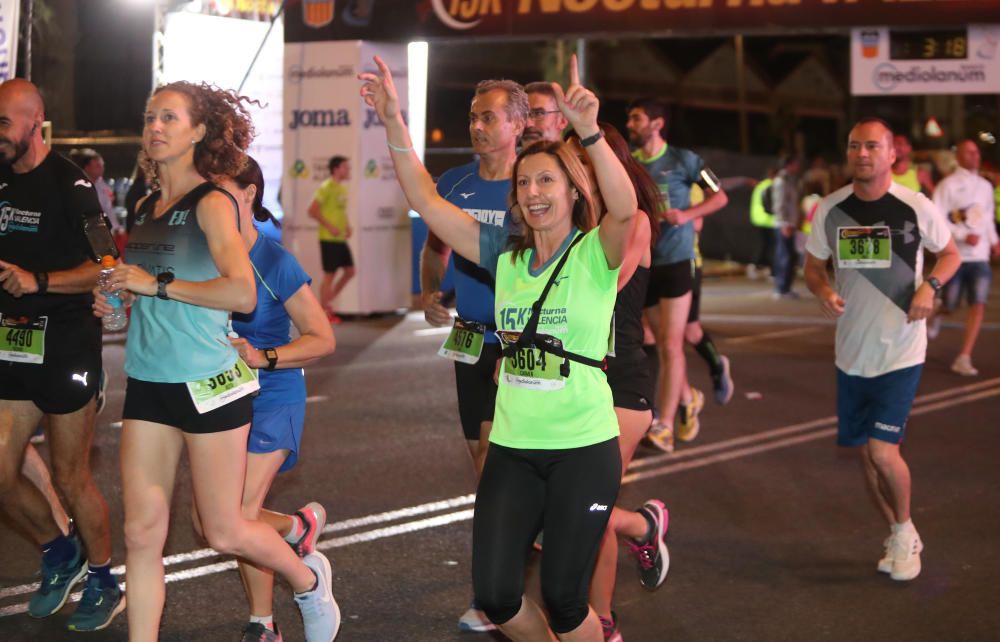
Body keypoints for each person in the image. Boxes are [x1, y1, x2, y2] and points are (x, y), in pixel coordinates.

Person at [362, 52, 633, 641]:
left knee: (564, 600)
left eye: (547, 180)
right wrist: (392, 121)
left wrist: (588, 132)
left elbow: (627, 207)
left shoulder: (594, 254)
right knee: (496, 595)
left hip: (583, 448)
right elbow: (428, 202)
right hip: (512, 447)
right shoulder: (502, 255)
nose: (533, 192)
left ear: (571, 188)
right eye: (524, 182)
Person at [94, 81, 340, 642]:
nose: (155, 127)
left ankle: (306, 580)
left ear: (199, 131)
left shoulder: (213, 202)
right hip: (150, 381)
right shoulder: (144, 203)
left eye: (169, 118)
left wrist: (153, 284)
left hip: (209, 384)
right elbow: (155, 290)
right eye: (150, 116)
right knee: (140, 534)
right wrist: (118, 298)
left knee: (224, 530)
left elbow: (241, 294)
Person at [804, 117, 959, 582]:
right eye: (855, 146)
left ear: (893, 154)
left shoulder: (914, 206)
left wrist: (930, 287)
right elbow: (813, 266)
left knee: (882, 450)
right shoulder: (830, 210)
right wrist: (824, 291)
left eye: (873, 146)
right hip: (852, 352)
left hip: (901, 350)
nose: (862, 154)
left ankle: (905, 530)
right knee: (867, 457)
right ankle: (897, 531)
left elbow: (950, 254)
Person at [196, 157, 337, 642]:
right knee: (208, 519)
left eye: (220, 191)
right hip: (220, 397)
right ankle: (297, 528)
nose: (208, 203)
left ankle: (264, 624)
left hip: (274, 394)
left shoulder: (275, 262)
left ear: (249, 194)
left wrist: (265, 356)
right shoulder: (202, 256)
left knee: (238, 514)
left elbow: (322, 338)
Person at [0, 78, 123, 632]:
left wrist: (39, 279)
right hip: (11, 341)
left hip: (68, 342)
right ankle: (59, 551)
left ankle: (103, 577)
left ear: (34, 122)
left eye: (4, 124)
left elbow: (106, 267)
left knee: (71, 476)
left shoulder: (70, 183)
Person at [420, 77, 527, 633]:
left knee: (496, 469)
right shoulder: (453, 182)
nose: (477, 126)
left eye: (489, 117)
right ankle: (516, 563)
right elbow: (435, 247)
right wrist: (429, 295)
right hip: (469, 337)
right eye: (473, 116)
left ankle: (492, 594)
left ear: (518, 124)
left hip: (521, 345)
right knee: (484, 467)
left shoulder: (533, 185)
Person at [566, 121, 670, 642]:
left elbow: (603, 284)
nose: (575, 173)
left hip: (621, 381)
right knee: (567, 504)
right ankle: (642, 526)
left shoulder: (634, 223)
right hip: (575, 377)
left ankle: (603, 621)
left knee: (592, 507)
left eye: (582, 161)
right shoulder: (567, 224)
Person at [626, 97, 727, 452]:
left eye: (636, 119)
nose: (630, 125)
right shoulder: (631, 164)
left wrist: (687, 214)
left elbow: (720, 196)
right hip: (647, 262)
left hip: (678, 259)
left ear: (656, 124)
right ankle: (687, 397)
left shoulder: (685, 160)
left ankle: (664, 426)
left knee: (671, 343)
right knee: (655, 340)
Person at [931, 139, 999, 375]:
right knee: (951, 302)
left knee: (978, 304)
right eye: (969, 152)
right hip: (955, 256)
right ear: (958, 156)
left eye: (977, 152)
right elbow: (936, 220)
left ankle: (964, 356)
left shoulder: (985, 186)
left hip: (979, 258)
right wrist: (961, 235)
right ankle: (939, 311)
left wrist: (994, 241)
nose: (975, 156)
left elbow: (987, 217)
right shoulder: (947, 186)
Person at [308, 155, 354, 324]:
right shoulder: (326, 187)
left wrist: (347, 226)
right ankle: (324, 310)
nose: (348, 170)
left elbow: (340, 212)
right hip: (328, 238)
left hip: (340, 239)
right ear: (336, 169)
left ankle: (326, 302)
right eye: (345, 167)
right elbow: (312, 210)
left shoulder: (342, 189)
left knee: (350, 271)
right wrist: (329, 226)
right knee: (330, 274)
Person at [772, 155, 802, 299]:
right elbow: (779, 204)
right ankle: (781, 289)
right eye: (795, 164)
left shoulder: (790, 180)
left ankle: (786, 287)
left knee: (789, 256)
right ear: (789, 165)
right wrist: (784, 223)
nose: (798, 167)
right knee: (785, 256)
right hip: (784, 224)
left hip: (790, 223)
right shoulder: (781, 181)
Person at [747, 170, 776, 280]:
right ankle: (765, 269)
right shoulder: (769, 186)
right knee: (769, 246)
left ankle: (756, 266)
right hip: (767, 220)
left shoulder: (761, 185)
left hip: (758, 219)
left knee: (764, 245)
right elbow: (769, 205)